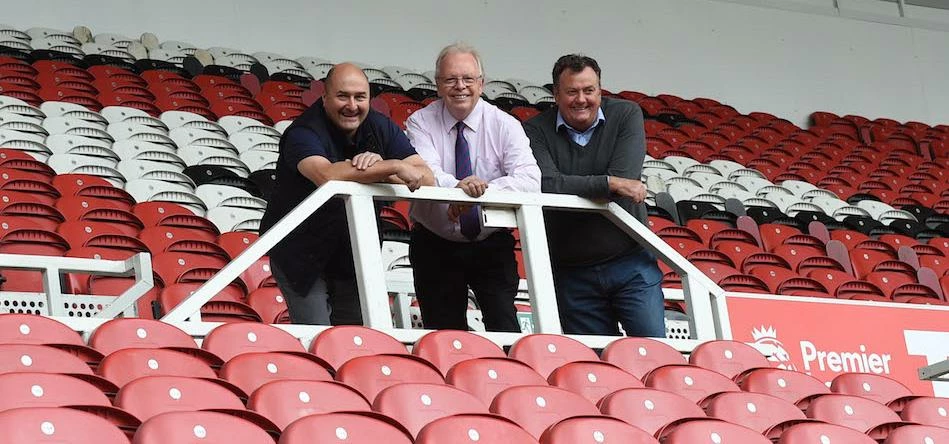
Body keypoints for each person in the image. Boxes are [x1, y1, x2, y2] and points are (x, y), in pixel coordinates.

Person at [259, 62, 434, 325]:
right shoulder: (303, 131)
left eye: (360, 97)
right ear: (325, 97)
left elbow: (426, 177)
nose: (352, 105)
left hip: (354, 255)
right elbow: (326, 176)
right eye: (343, 96)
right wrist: (393, 165)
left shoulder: (379, 125)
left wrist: (378, 169)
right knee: (318, 340)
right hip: (301, 256)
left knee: (354, 342)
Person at [523, 54, 665, 337]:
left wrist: (605, 184)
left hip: (631, 261)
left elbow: (626, 175)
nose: (581, 99)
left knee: (654, 356)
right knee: (597, 369)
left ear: (600, 90)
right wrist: (609, 183)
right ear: (555, 94)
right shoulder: (534, 129)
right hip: (572, 273)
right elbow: (547, 183)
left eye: (589, 90)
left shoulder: (626, 114)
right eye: (572, 91)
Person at [407, 43, 541, 332]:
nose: (460, 87)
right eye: (450, 79)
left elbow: (530, 180)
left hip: (490, 244)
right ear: (438, 84)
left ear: (482, 83)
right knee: (444, 336)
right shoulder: (419, 122)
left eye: (468, 79)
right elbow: (424, 170)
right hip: (434, 244)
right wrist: (458, 188)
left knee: (505, 329)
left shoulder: (505, 125)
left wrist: (480, 193)